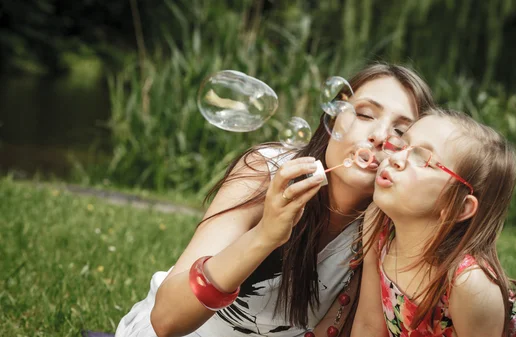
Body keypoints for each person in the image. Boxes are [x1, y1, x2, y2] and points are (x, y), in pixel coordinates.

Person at [115, 63, 436, 337]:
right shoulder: (265, 172)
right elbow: (166, 319)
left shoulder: (384, 228)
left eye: (400, 133)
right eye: (365, 114)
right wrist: (265, 235)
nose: (380, 136)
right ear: (335, 118)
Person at [351, 109, 516, 337]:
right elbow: (368, 325)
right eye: (402, 145)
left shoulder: (469, 284)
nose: (395, 159)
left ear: (459, 208)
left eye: (422, 158)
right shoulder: (378, 224)